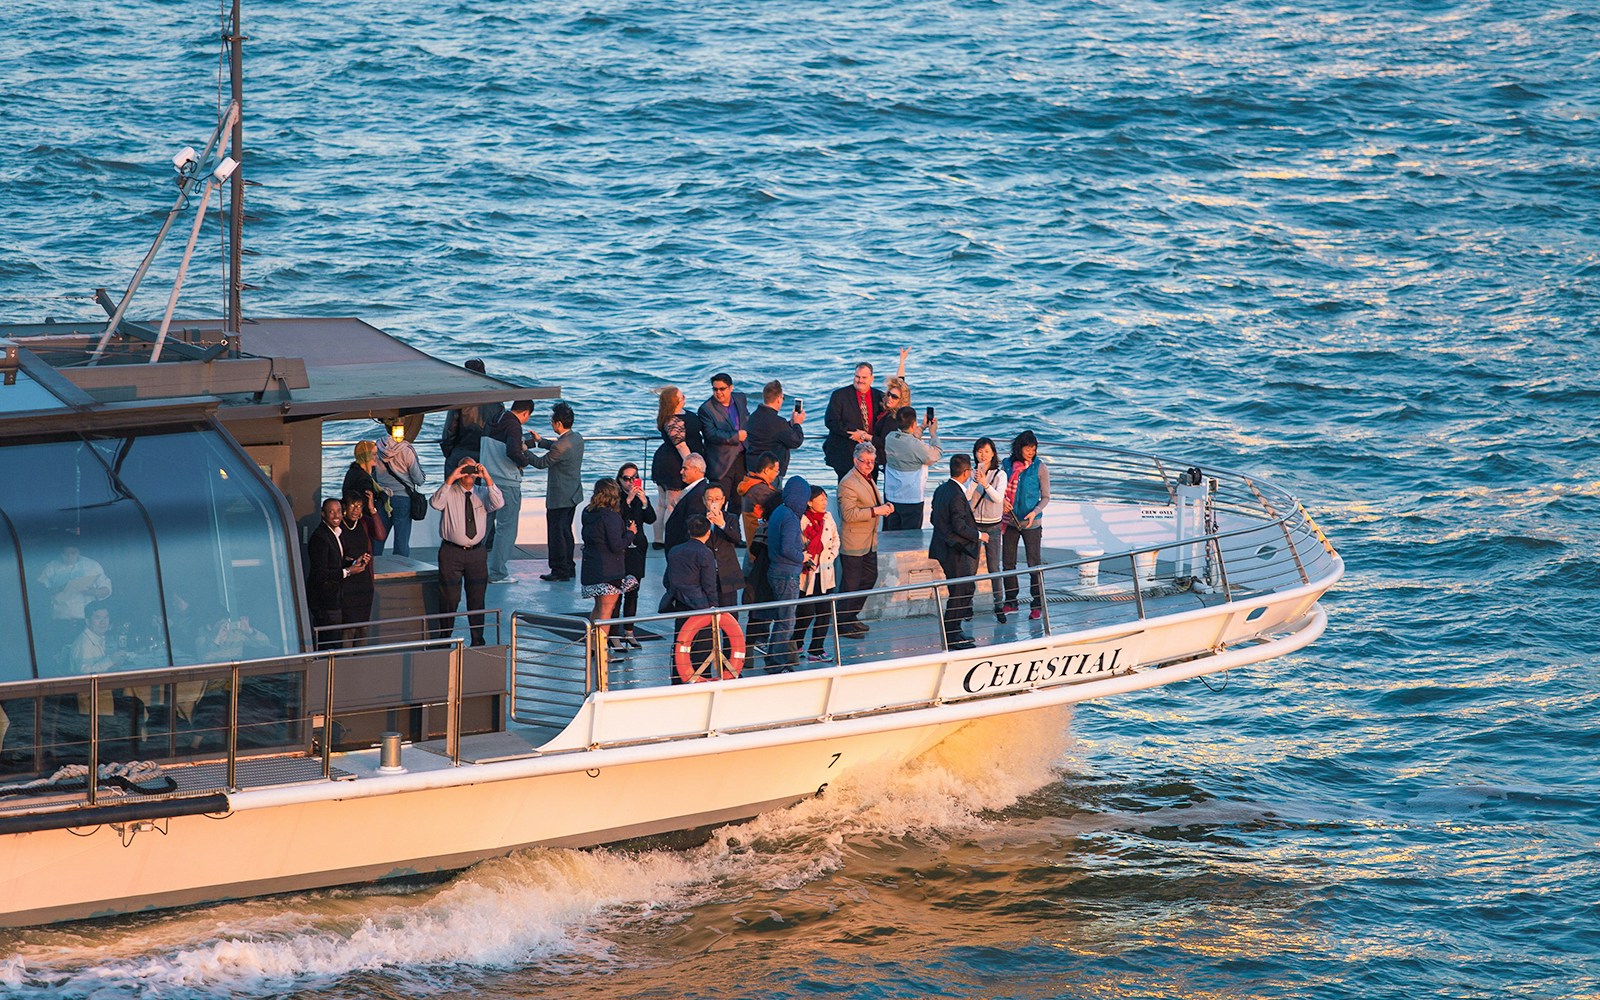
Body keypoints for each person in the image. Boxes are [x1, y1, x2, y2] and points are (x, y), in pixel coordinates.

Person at [430, 457, 504, 646]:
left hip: (476, 553)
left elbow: (498, 503)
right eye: (465, 469)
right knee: (449, 598)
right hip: (451, 552)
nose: (469, 474)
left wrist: (487, 477)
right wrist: (451, 478)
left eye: (472, 469)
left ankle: (478, 640)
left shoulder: (482, 493)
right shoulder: (449, 491)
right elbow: (436, 504)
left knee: (477, 598)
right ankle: (444, 640)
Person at [835, 442, 894, 638]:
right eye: (865, 461)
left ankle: (851, 616)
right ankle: (842, 623)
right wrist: (876, 511)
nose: (870, 465)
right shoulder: (848, 482)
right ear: (855, 461)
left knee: (869, 577)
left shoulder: (867, 477)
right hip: (853, 542)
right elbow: (848, 515)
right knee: (850, 584)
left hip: (869, 540)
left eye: (872, 461)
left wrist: (883, 506)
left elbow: (869, 503)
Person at [480, 399, 540, 583]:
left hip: (486, 481)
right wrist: (524, 462)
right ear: (526, 413)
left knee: (483, 527)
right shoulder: (514, 425)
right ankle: (498, 573)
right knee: (506, 529)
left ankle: (474, 568)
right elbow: (512, 451)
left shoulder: (494, 419)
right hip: (507, 482)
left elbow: (504, 444)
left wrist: (528, 444)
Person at [930, 454, 985, 650]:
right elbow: (960, 526)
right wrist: (979, 535)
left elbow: (934, 518)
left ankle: (954, 629)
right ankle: (951, 634)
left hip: (944, 548)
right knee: (961, 590)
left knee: (960, 589)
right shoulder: (956, 495)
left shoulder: (941, 490)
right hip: (954, 550)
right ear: (966, 472)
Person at [527, 401, 585, 582]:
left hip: (559, 496)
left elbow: (540, 463)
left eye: (552, 421)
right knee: (566, 531)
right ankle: (569, 567)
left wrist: (524, 451)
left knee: (556, 533)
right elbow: (558, 448)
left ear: (558, 423)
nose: (551, 424)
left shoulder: (561, 446)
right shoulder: (577, 438)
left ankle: (559, 570)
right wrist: (540, 441)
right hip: (573, 493)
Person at [580, 479, 638, 656]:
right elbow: (616, 545)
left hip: (591, 567)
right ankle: (600, 651)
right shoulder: (610, 516)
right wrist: (630, 533)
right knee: (606, 611)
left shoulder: (587, 512)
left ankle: (591, 647)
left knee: (597, 609)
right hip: (609, 571)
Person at [1000, 430, 1051, 621]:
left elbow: (1046, 497)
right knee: (1008, 563)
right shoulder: (1006, 465)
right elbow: (998, 489)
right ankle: (1010, 601)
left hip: (1032, 522)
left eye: (1034, 449)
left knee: (1033, 564)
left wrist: (1034, 512)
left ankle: (1037, 604)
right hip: (1010, 521)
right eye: (1027, 448)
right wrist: (1001, 503)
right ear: (1018, 447)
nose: (1031, 452)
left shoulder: (1040, 468)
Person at [662, 514, 719, 684]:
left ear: (689, 531)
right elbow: (709, 585)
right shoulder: (705, 553)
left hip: (680, 604)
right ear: (708, 532)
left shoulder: (675, 551)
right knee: (702, 647)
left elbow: (667, 580)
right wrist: (715, 606)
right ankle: (701, 679)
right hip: (701, 607)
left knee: (681, 644)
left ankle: (678, 680)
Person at [764, 476, 812, 673]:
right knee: (787, 621)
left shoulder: (779, 511)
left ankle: (774, 659)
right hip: (786, 574)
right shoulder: (791, 517)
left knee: (782, 619)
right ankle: (776, 664)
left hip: (776, 571)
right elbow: (787, 548)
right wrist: (802, 556)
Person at [649, 386, 704, 550]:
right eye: (681, 396)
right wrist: (692, 464)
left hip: (665, 460)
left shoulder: (676, 415)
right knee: (671, 502)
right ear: (675, 401)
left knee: (663, 503)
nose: (685, 397)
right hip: (674, 464)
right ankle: (668, 539)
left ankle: (659, 539)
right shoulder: (672, 420)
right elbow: (681, 446)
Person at [790, 485, 841, 663]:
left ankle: (816, 648)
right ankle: (796, 644)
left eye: (826, 498)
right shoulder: (801, 521)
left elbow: (835, 538)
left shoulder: (828, 518)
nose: (825, 502)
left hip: (825, 570)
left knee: (824, 611)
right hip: (808, 572)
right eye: (820, 499)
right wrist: (807, 559)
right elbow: (796, 545)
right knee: (806, 611)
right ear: (810, 502)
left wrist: (831, 556)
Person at [306, 498, 365, 650]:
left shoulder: (336, 533)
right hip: (324, 599)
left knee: (334, 640)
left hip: (334, 597)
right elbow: (320, 573)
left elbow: (335, 564)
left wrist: (353, 564)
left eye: (338, 511)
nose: (336, 515)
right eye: (331, 512)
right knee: (329, 642)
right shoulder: (320, 537)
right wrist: (348, 571)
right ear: (323, 514)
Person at [737, 453, 782, 652]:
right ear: (766, 470)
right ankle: (759, 640)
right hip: (761, 550)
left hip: (752, 548)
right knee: (762, 597)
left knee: (756, 595)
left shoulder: (749, 487)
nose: (778, 473)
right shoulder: (762, 492)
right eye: (776, 470)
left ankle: (756, 639)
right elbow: (779, 506)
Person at [698, 373, 750, 540]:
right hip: (721, 462)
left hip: (742, 458)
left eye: (722, 389)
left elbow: (746, 419)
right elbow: (711, 435)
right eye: (715, 389)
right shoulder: (706, 409)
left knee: (738, 500)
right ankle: (713, 537)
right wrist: (736, 436)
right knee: (716, 501)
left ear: (731, 388)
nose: (718, 393)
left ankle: (733, 535)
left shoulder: (740, 398)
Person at [36, 542, 112, 654]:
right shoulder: (51, 567)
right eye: (65, 553)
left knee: (86, 654)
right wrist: (58, 589)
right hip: (60, 623)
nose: (69, 556)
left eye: (73, 553)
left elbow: (107, 589)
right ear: (60, 553)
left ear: (78, 551)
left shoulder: (92, 565)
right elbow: (38, 592)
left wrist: (94, 591)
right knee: (61, 656)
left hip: (86, 623)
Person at [615, 462, 656, 649]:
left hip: (637, 547)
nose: (631, 482)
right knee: (616, 593)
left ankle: (629, 631)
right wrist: (628, 501)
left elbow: (651, 519)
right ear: (620, 480)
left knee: (633, 591)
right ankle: (613, 633)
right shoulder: (616, 498)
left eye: (634, 477)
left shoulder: (640, 497)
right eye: (627, 478)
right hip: (621, 548)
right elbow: (617, 517)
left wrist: (645, 502)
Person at [439, 359, 504, 474]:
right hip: (486, 453)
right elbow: (500, 429)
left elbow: (450, 429)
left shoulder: (462, 398)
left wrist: (448, 451)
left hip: (463, 449)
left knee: (453, 487)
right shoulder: (497, 400)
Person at [883, 406, 943, 531]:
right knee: (911, 539)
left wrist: (921, 427)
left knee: (892, 535)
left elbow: (909, 440)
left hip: (891, 496)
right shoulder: (916, 445)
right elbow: (935, 455)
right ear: (913, 423)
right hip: (911, 498)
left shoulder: (890, 438)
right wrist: (933, 434)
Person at [823, 363, 885, 479]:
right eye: (857, 377)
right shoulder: (839, 395)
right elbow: (831, 421)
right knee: (847, 491)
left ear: (872, 378)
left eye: (864, 377)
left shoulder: (880, 396)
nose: (860, 380)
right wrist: (853, 434)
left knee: (869, 491)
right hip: (845, 453)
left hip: (872, 455)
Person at [970, 436, 1007, 622]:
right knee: (970, 567)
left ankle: (999, 605)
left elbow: (998, 498)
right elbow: (967, 496)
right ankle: (966, 606)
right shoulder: (972, 473)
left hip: (992, 526)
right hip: (973, 524)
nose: (982, 454)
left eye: (986, 451)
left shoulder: (1000, 475)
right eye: (979, 451)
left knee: (994, 567)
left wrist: (985, 483)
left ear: (993, 453)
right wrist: (975, 480)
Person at [374, 430, 427, 557]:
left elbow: (373, 473)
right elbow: (418, 479)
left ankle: (374, 566)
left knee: (379, 536)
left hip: (383, 497)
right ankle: (401, 566)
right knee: (401, 539)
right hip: (403, 498)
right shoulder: (406, 449)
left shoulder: (377, 447)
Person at [745, 380, 805, 482]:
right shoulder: (778, 423)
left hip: (752, 468)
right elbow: (796, 441)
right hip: (771, 473)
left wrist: (790, 424)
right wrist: (797, 424)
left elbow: (773, 431)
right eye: (782, 398)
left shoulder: (753, 417)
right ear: (778, 399)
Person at [338, 494, 377, 646]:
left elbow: (380, 535)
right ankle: (345, 662)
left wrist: (372, 509)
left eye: (359, 506)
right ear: (345, 509)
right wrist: (351, 563)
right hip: (347, 581)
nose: (356, 510)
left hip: (364, 582)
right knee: (348, 628)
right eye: (353, 506)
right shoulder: (339, 527)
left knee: (363, 627)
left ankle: (359, 660)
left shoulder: (363, 523)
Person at [702, 484, 744, 610]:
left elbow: (736, 539)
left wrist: (722, 525)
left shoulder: (731, 518)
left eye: (717, 498)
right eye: (710, 499)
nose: (714, 502)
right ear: (704, 501)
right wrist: (706, 526)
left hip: (727, 574)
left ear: (723, 500)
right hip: (706, 574)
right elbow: (694, 542)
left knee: (729, 614)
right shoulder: (697, 519)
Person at [662, 453, 711, 551]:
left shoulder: (698, 494)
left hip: (684, 551)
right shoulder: (694, 490)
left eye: (685, 468)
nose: (681, 472)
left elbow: (693, 526)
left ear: (696, 470)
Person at [342, 440, 391, 534]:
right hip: (362, 522)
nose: (377, 457)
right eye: (374, 454)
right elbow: (369, 506)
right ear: (367, 456)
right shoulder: (363, 479)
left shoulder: (352, 472)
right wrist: (384, 495)